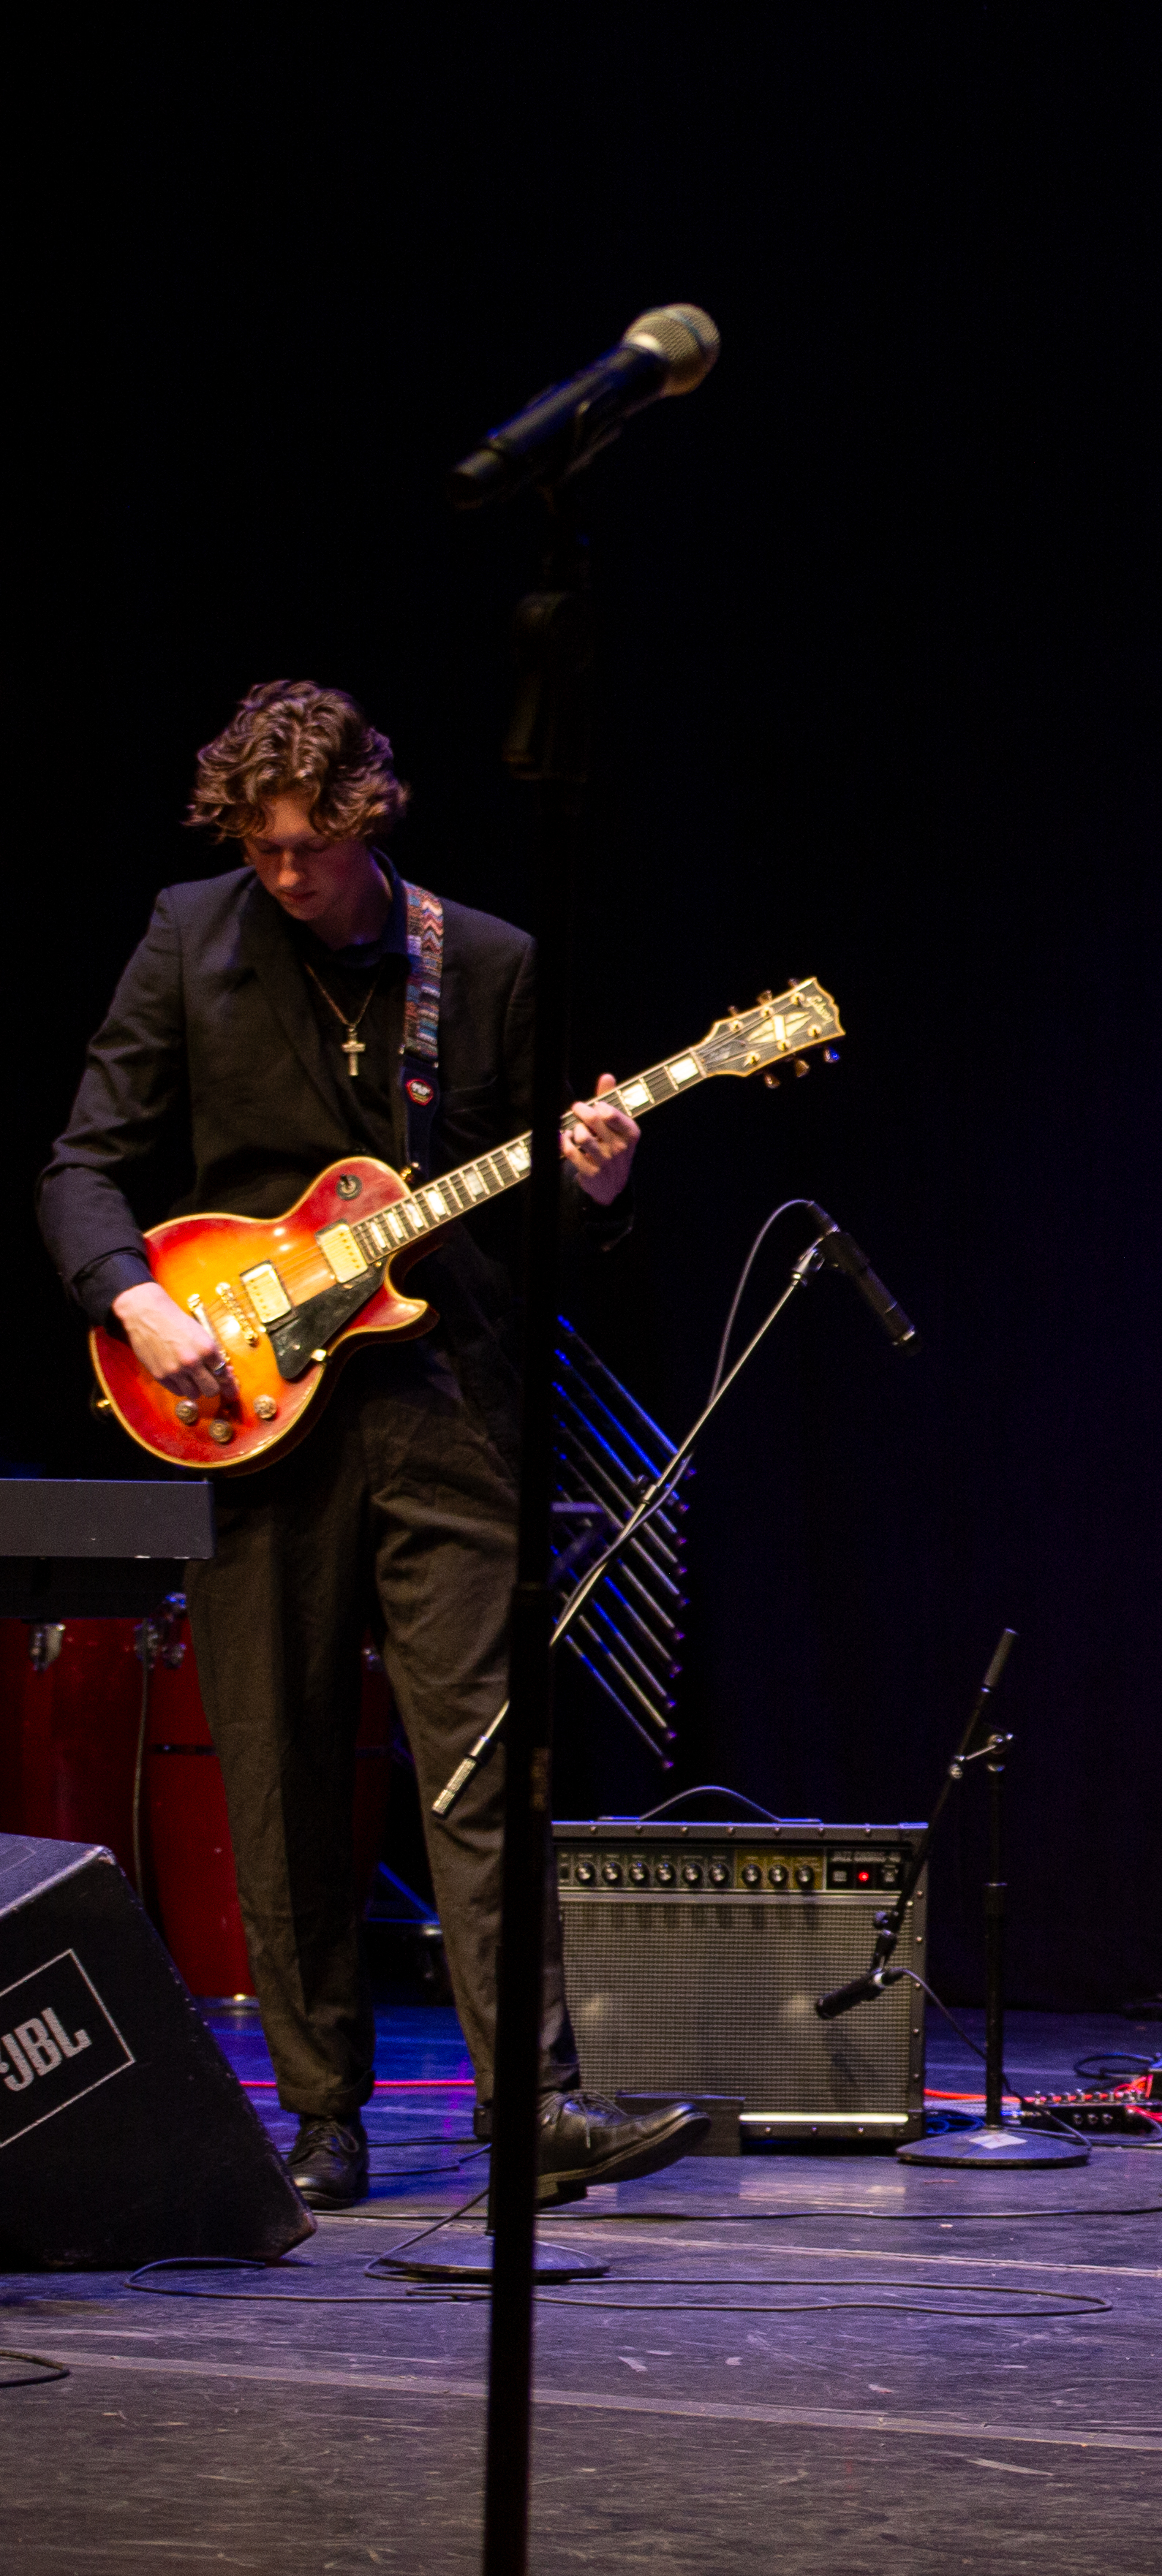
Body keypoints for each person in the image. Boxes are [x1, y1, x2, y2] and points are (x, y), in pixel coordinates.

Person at [35, 683, 698, 2214]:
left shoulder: (490, 966)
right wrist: (136, 1302)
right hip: (251, 1412)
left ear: (368, 820)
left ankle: (529, 2106)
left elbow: (560, 1225)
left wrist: (600, 1188)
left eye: (310, 853)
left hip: (445, 1410)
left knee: (481, 1761)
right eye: (262, 851)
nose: (286, 879)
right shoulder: (186, 936)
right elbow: (85, 1161)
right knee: (277, 1764)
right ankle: (322, 2116)